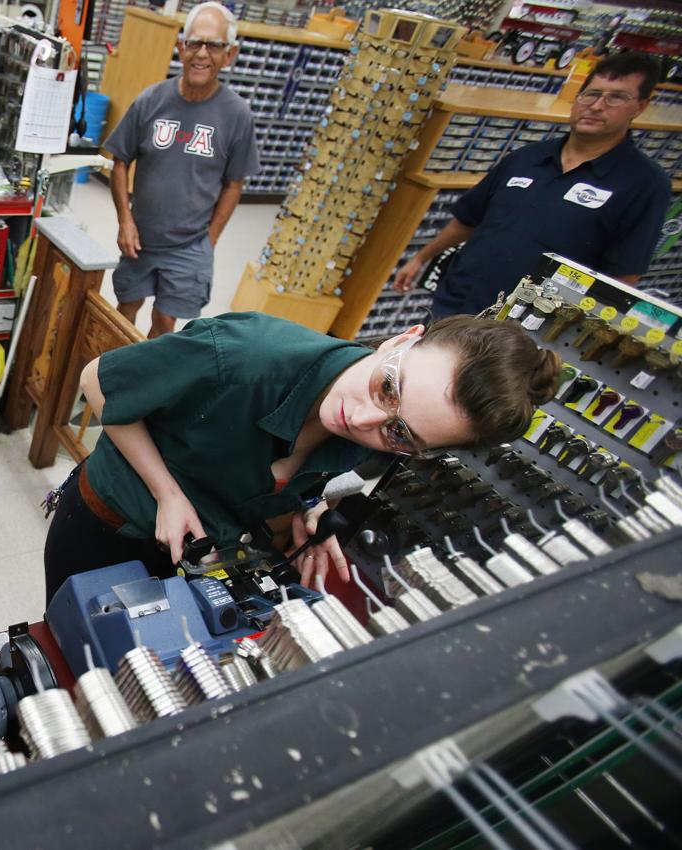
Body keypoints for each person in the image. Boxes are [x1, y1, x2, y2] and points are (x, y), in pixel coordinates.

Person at [42, 313, 560, 602]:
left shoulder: (373, 432)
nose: (363, 421)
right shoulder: (244, 355)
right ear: (403, 339)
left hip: (194, 555)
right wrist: (168, 493)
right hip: (108, 527)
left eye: (400, 433)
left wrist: (303, 512)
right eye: (386, 388)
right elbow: (99, 384)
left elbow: (284, 478)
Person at [393, 51, 671, 318]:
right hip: (457, 303)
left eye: (616, 98)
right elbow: (468, 219)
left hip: (525, 330)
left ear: (641, 106)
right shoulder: (526, 158)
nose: (597, 106)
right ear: (577, 98)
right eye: (592, 94)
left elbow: (623, 278)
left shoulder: (644, 183)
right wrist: (421, 257)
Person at [103, 1, 260, 338]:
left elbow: (234, 184)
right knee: (125, 309)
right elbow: (119, 160)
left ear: (229, 54)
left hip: (190, 244)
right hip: (141, 236)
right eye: (194, 43)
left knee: (165, 322)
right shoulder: (151, 100)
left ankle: (148, 386)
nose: (202, 54)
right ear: (180, 47)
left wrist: (210, 240)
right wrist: (124, 221)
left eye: (214, 45)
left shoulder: (237, 116)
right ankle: (112, 380)